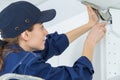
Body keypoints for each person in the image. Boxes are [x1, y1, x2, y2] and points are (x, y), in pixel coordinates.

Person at [0, 1, 106, 80]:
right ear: (26, 34)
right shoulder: (27, 67)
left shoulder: (9, 53)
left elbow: (52, 45)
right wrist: (90, 41)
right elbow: (79, 77)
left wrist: (89, 25)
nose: (46, 32)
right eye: (41, 27)